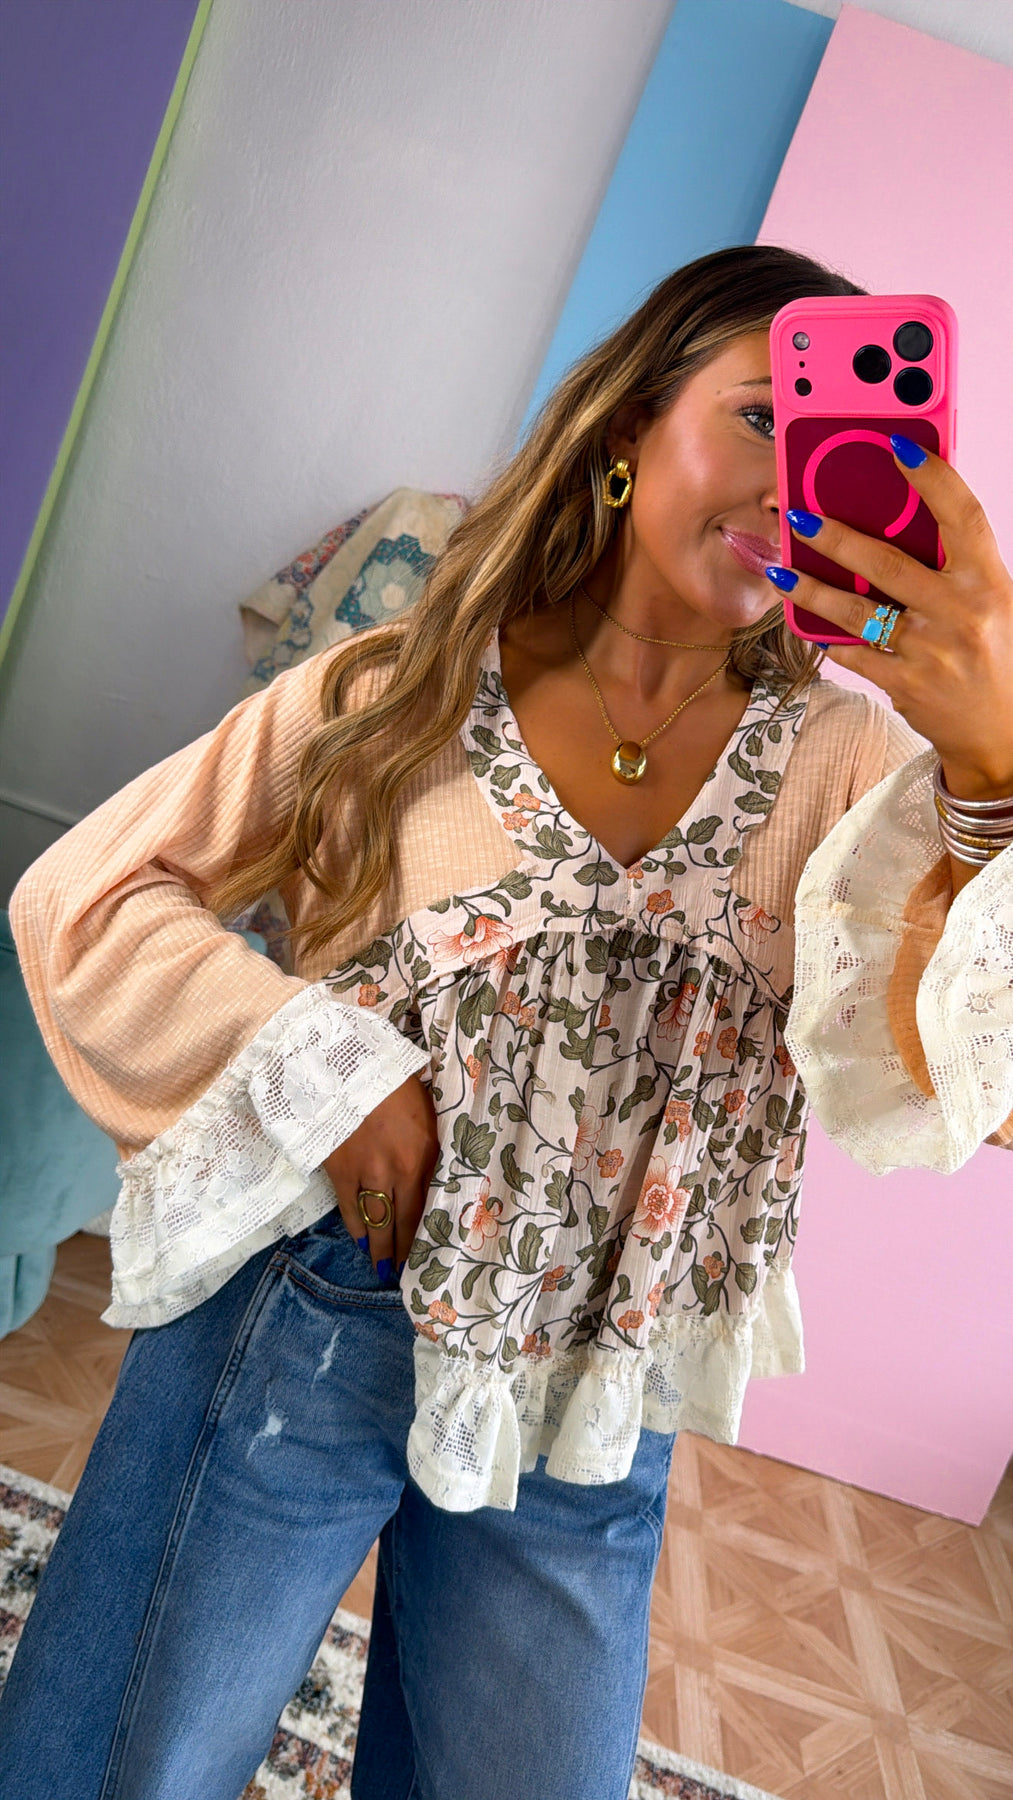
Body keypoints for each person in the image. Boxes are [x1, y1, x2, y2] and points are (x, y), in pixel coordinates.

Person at [2, 244, 1011, 1800]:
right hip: (311, 1319)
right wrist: (326, 1071)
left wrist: (994, 776)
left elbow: (973, 1090)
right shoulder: (401, 688)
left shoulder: (852, 772)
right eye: (760, 416)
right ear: (626, 429)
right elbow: (88, 892)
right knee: (127, 1764)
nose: (788, 480)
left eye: (834, 442)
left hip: (593, 1393)